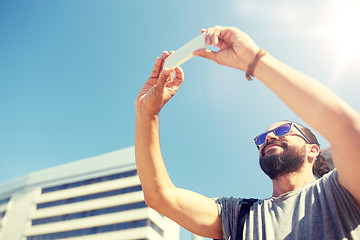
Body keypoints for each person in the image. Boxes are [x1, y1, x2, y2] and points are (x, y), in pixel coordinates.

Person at [134, 25, 360, 239]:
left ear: (313, 150)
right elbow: (160, 196)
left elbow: (352, 136)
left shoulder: (340, 191)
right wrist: (146, 112)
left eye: (283, 130)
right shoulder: (237, 216)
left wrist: (253, 59)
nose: (268, 138)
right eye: (261, 138)